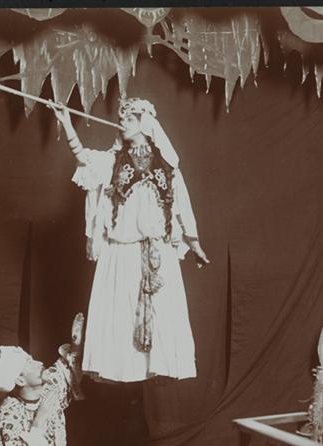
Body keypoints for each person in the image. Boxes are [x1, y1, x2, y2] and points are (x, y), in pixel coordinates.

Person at [52, 98, 209, 383]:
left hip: (157, 254)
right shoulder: (113, 161)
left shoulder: (167, 165)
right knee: (122, 320)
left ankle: (158, 366)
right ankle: (125, 372)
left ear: (145, 122)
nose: (122, 122)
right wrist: (66, 123)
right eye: (121, 119)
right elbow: (84, 158)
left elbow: (182, 205)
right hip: (122, 254)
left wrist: (194, 243)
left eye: (129, 118)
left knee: (162, 319)